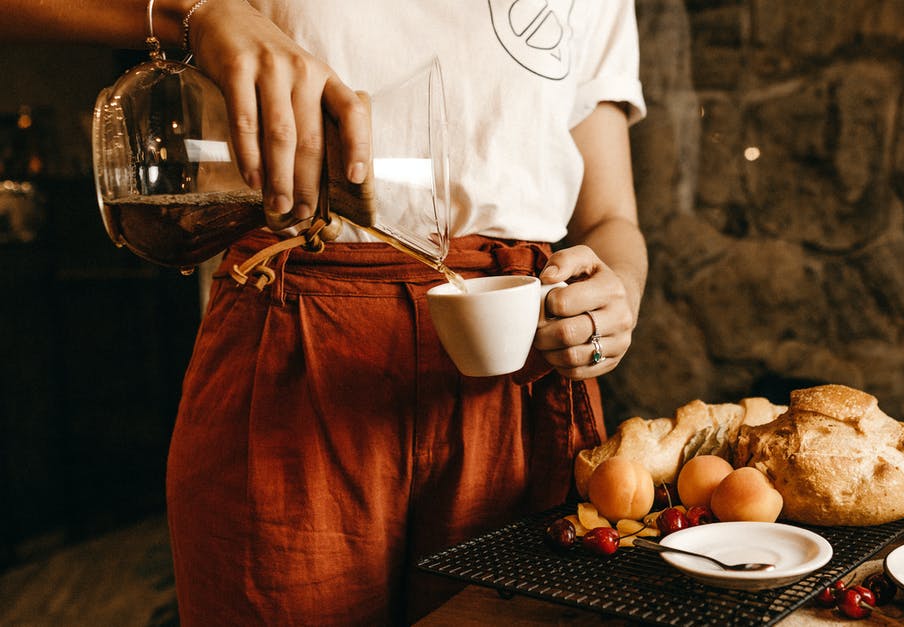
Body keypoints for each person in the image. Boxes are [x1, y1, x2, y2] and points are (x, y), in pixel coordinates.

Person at [5, 0, 647, 623]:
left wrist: (615, 295)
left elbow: (610, 218)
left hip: (513, 373)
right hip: (290, 343)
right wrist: (197, 9)